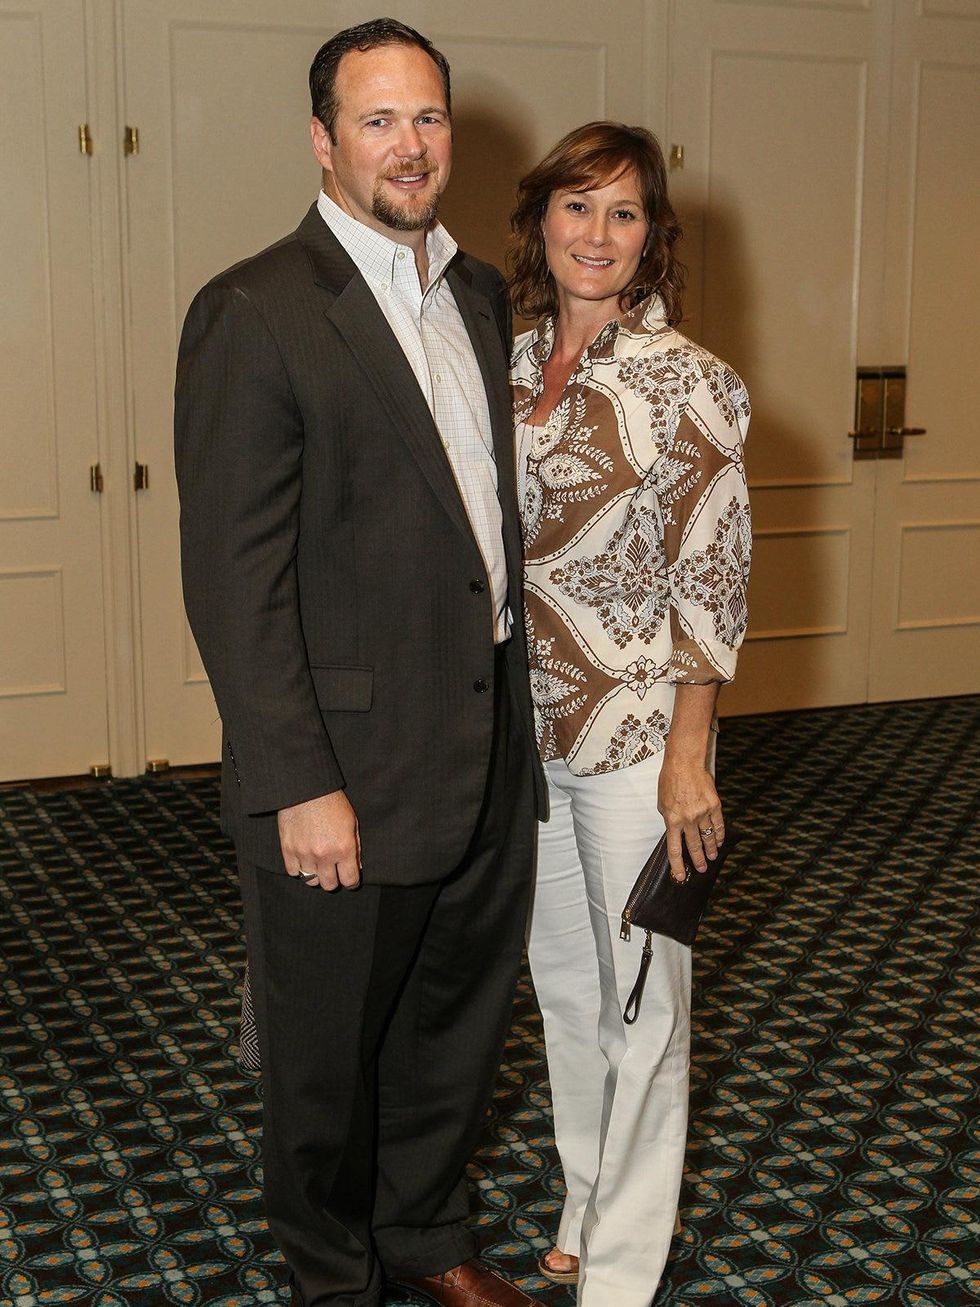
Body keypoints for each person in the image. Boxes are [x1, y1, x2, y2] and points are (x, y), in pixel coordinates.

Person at [174, 19, 545, 1307]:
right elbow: (234, 581)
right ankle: (334, 1276)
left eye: (427, 116)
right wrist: (295, 778)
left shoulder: (479, 293)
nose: (409, 143)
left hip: (484, 739)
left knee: (452, 1024)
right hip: (341, 767)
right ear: (322, 140)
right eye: (376, 118)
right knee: (324, 1058)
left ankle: (428, 1234)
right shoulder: (255, 310)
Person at [508, 122, 752, 1304]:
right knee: (566, 992)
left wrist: (688, 757)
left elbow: (713, 574)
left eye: (622, 212)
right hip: (522, 739)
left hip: (634, 738)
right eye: (576, 205)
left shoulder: (688, 379)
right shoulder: (504, 365)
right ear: (539, 221)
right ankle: (584, 1195)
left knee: (645, 1005)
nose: (596, 234)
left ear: (651, 237)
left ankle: (619, 1270)